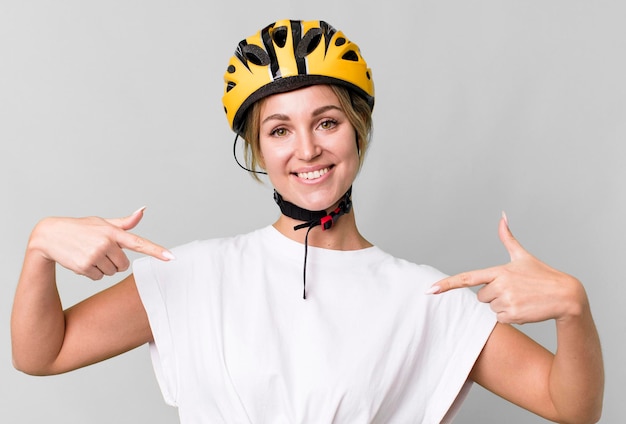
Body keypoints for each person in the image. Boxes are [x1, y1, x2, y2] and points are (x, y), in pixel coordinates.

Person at [11, 19, 603, 423]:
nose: (307, 149)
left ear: (357, 132)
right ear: (258, 152)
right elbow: (42, 353)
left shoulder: (427, 298)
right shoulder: (191, 275)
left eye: (326, 122)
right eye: (279, 130)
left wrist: (574, 309)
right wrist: (39, 250)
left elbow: (570, 405)